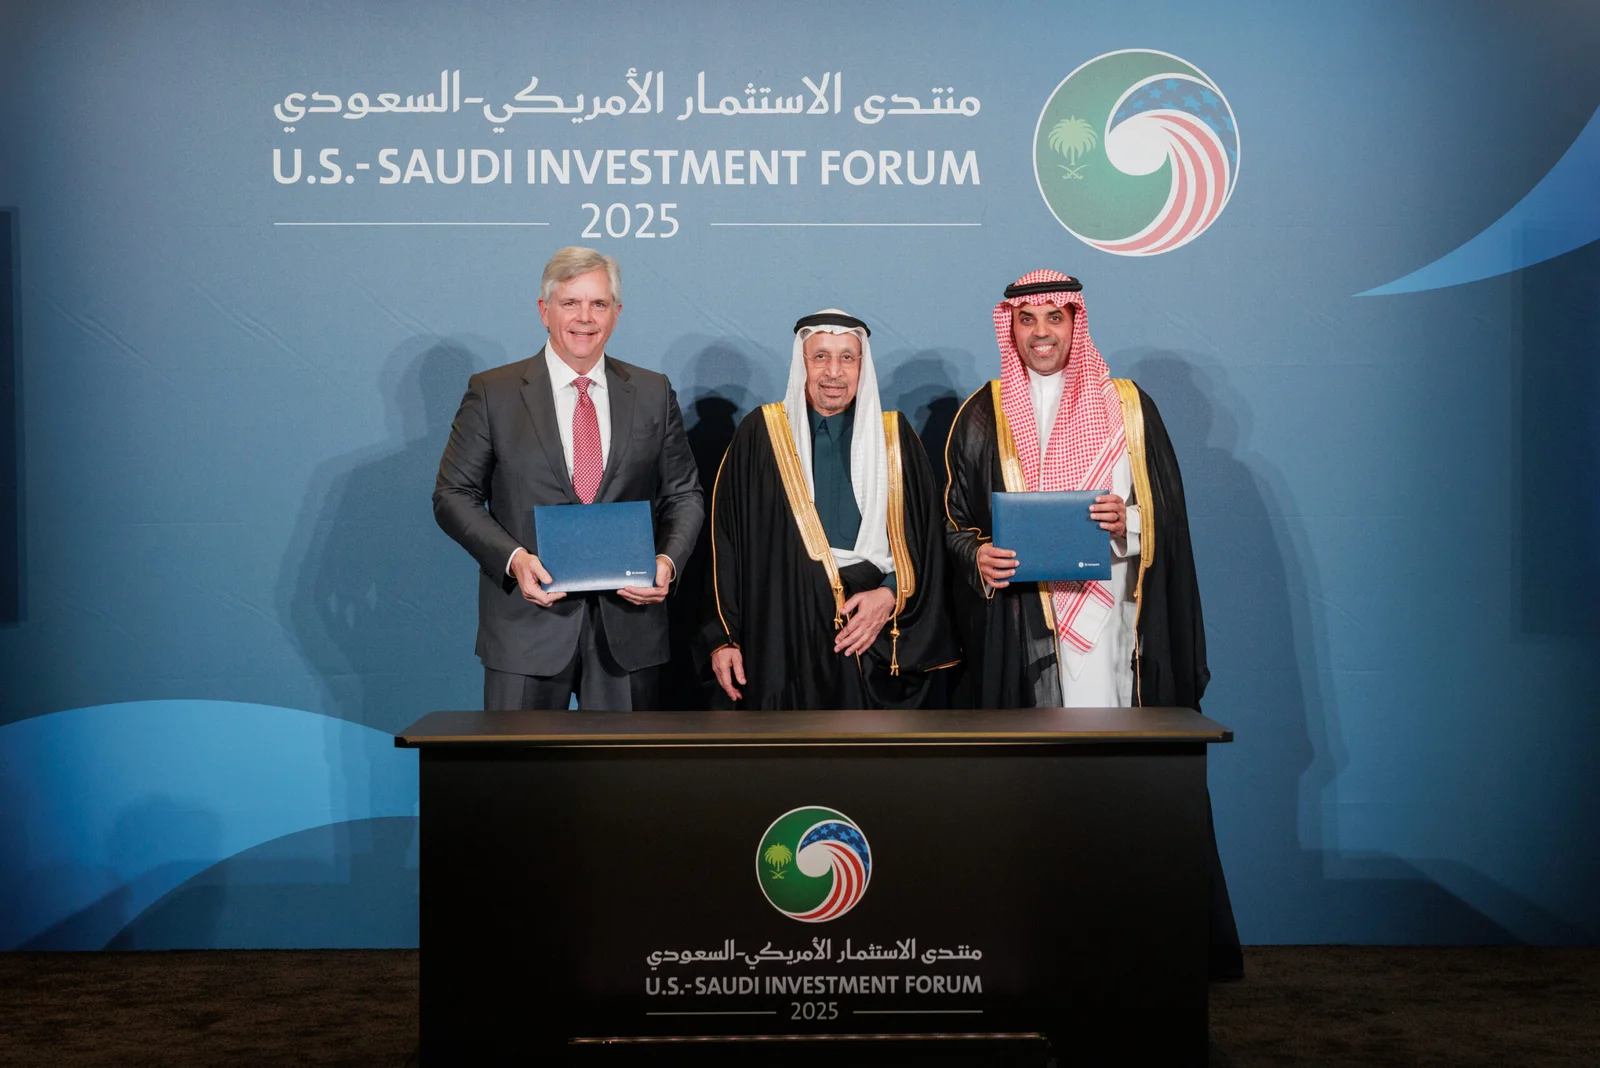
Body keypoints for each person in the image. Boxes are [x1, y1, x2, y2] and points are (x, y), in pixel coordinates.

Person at [943, 269, 1243, 978]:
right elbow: (952, 522)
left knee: (1117, 782)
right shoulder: (983, 413)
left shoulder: (1128, 407)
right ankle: (1035, 936)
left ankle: (1128, 935)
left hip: (1115, 631)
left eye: (1055, 317)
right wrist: (977, 555)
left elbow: (1166, 519)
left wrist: (1126, 520)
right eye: (1027, 320)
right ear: (1010, 327)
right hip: (1023, 633)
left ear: (1077, 323)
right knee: (1033, 788)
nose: (1041, 332)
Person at [433, 247, 703, 711]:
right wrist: (514, 560)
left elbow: (684, 494)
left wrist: (667, 561)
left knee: (624, 763)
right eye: (570, 303)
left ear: (616, 313)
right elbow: (453, 494)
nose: (585, 317)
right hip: (525, 628)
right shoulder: (494, 393)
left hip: (628, 630)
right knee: (521, 762)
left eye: (599, 304)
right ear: (545, 311)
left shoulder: (652, 392)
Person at [704, 310, 957, 709]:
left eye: (847, 358)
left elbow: (927, 542)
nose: (834, 372)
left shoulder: (894, 438)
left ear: (862, 365)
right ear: (801, 363)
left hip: (874, 638)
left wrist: (890, 594)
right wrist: (724, 638)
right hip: (783, 638)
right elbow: (725, 544)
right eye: (820, 356)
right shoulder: (762, 434)